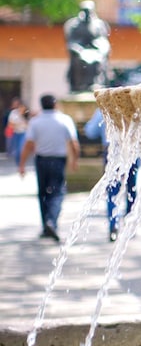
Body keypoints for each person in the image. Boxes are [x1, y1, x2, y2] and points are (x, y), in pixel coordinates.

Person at [19, 94, 79, 242]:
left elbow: (28, 144)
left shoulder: (35, 121)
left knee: (43, 193)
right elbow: (73, 142)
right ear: (55, 104)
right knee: (57, 192)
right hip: (58, 160)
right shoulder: (65, 120)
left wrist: (22, 164)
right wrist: (75, 160)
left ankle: (46, 224)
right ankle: (51, 221)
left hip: (41, 160)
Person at [86, 108, 141, 242]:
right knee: (131, 190)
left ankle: (113, 225)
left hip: (112, 153)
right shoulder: (132, 108)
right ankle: (129, 225)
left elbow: (90, 132)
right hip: (132, 153)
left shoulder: (103, 110)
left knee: (112, 191)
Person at [64, 0, 111, 92]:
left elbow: (103, 40)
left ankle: (96, 83)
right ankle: (81, 85)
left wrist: (99, 48)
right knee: (82, 61)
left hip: (95, 51)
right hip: (80, 51)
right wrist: (79, 50)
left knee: (97, 59)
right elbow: (71, 42)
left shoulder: (99, 25)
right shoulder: (74, 25)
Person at [6, 97, 30, 167]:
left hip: (24, 133)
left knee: (21, 149)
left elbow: (29, 124)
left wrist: (23, 118)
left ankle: (22, 163)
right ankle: (18, 164)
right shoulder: (13, 113)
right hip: (16, 133)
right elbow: (10, 124)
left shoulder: (27, 113)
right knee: (16, 151)